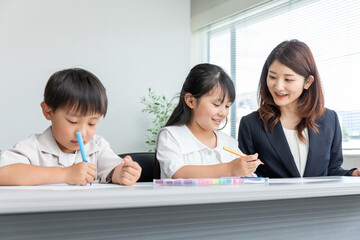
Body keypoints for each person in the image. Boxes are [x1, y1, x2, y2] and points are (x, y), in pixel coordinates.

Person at [238, 39, 360, 178]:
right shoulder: (251, 124)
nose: (278, 86)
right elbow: (247, 177)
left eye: (288, 79)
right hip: (273, 200)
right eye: (272, 77)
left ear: (307, 82)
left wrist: (352, 174)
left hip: (317, 200)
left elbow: (332, 170)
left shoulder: (329, 119)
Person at [0, 68, 141, 186]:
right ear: (48, 111)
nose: (83, 132)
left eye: (92, 123)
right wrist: (65, 174)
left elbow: (113, 170)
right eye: (73, 121)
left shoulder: (97, 146)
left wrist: (123, 173)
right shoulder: (33, 148)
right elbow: (3, 174)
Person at [156, 63, 262, 179]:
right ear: (191, 101)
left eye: (227, 106)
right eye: (216, 105)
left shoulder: (229, 143)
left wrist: (248, 169)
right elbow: (178, 173)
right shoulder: (170, 136)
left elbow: (247, 179)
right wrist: (230, 169)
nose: (223, 113)